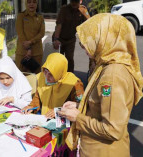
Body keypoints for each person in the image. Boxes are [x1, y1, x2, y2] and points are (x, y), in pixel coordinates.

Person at [58, 13, 143, 157]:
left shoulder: (112, 76)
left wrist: (77, 117)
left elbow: (112, 129)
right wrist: (80, 106)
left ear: (106, 38)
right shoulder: (108, 64)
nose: (83, 46)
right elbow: (103, 106)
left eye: (89, 39)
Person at [22, 53, 84, 118]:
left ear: (60, 72)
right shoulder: (42, 78)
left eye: (51, 74)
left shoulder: (73, 83)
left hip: (64, 120)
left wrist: (59, 110)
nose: (47, 77)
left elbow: (80, 106)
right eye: (45, 71)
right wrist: (31, 107)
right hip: (45, 118)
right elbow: (37, 98)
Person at [53, 0, 90, 73]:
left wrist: (84, 40)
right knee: (57, 58)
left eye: (76, 1)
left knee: (69, 59)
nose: (74, 3)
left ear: (80, 1)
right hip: (59, 37)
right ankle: (56, 75)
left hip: (70, 39)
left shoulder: (83, 10)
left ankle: (70, 76)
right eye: (72, 1)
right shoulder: (64, 9)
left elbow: (88, 24)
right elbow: (59, 24)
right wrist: (56, 39)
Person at [15, 0, 45, 73]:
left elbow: (42, 33)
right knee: (20, 75)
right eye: (29, 2)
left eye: (34, 2)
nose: (32, 4)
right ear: (26, 3)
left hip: (37, 52)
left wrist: (31, 42)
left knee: (35, 77)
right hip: (22, 52)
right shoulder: (21, 16)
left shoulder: (40, 17)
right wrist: (28, 49)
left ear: (37, 4)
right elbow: (20, 33)